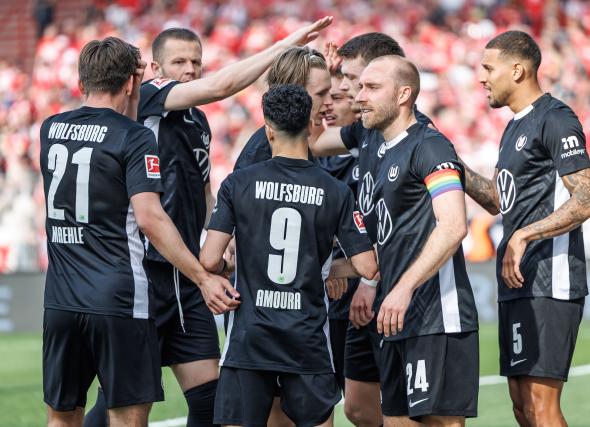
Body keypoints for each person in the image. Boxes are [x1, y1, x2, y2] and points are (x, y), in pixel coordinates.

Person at [83, 18, 332, 427]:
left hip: (186, 275)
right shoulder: (150, 97)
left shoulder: (197, 121)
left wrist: (222, 235)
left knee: (210, 400)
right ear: (157, 71)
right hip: (144, 274)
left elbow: (204, 192)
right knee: (119, 401)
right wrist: (285, 45)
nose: (190, 70)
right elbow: (220, 87)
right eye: (179, 62)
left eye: (196, 62)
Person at [40, 36, 227, 427]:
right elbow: (150, 218)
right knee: (126, 416)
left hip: (60, 298)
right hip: (119, 297)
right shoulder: (134, 136)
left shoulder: (50, 128)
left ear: (81, 82)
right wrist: (202, 278)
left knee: (61, 415)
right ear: (132, 82)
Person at [199, 84, 378, 427]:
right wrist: (323, 270)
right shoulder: (335, 191)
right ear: (310, 126)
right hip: (307, 337)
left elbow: (209, 261)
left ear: (268, 128)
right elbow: (367, 265)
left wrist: (230, 265)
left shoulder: (239, 183)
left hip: (250, 336)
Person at [463, 30, 590, 426]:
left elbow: (587, 199)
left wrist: (523, 235)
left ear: (518, 70)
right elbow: (498, 201)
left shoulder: (555, 118)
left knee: (542, 407)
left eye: (489, 68)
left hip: (550, 279)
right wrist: (453, 166)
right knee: (522, 407)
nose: (481, 77)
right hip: (518, 281)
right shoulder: (512, 128)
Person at [309, 32, 435, 427]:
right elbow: (313, 141)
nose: (347, 88)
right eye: (344, 80)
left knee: (413, 412)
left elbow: (414, 221)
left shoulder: (416, 136)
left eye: (355, 79)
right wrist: (321, 86)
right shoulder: (363, 128)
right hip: (363, 283)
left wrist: (371, 279)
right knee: (359, 407)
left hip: (397, 290)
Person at [356, 55, 479, 426]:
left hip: (435, 316)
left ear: (404, 94)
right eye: (361, 86)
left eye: (372, 87)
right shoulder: (378, 153)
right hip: (395, 317)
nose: (360, 96)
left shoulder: (430, 145)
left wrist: (404, 286)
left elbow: (454, 225)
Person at [316, 67, 360, 392]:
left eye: (339, 97)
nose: (330, 105)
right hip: (327, 290)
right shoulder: (316, 151)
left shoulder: (371, 146)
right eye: (325, 97)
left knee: (370, 403)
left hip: (364, 283)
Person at [233, 46, 333, 170]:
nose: (330, 101)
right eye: (321, 93)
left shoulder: (299, 138)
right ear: (295, 91)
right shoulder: (258, 156)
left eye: (330, 92)